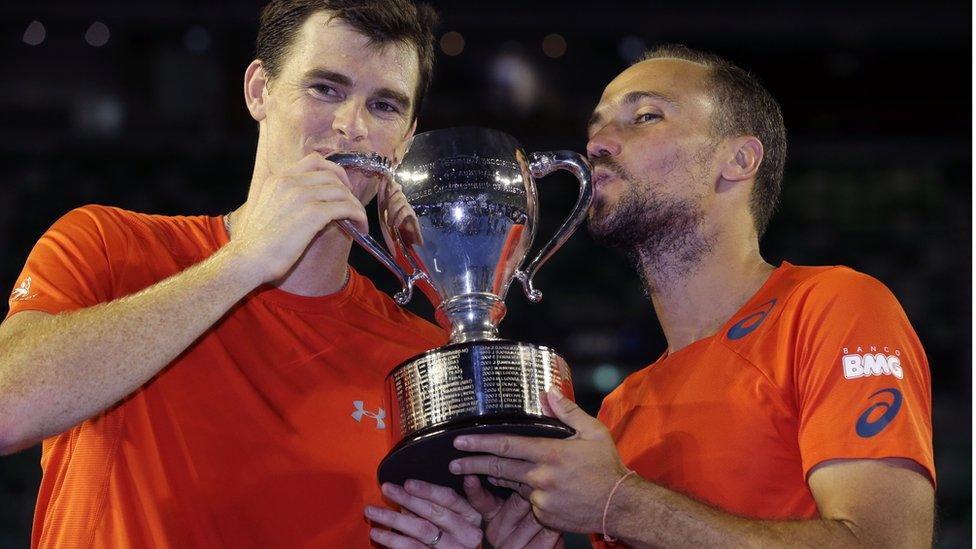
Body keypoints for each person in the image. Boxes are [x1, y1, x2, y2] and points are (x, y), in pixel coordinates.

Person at [0, 1, 499, 546]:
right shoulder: (107, 246)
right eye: (325, 88)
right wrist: (243, 263)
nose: (349, 126)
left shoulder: (423, 358)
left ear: (405, 139)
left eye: (383, 106)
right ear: (259, 90)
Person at [447, 44, 936, 547]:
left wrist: (621, 502)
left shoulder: (832, 305)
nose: (598, 144)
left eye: (645, 116)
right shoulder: (620, 409)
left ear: (739, 160)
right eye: (596, 125)